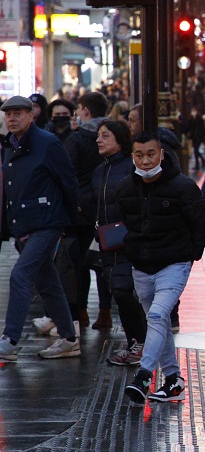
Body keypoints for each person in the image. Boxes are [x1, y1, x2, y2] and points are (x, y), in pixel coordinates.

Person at [119, 131, 205, 404]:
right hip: (141, 266)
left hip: (174, 263)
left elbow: (199, 223)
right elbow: (127, 222)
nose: (145, 161)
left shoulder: (183, 187)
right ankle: (173, 381)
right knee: (159, 323)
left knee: (157, 317)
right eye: (139, 155)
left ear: (161, 155)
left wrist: (191, 255)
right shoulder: (124, 189)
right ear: (132, 156)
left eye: (150, 154)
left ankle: (143, 377)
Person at [0, 96, 81, 361]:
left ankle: (9, 340)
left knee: (20, 275)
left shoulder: (48, 144)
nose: (12, 118)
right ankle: (69, 338)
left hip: (48, 222)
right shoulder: (10, 145)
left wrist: (68, 220)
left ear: (30, 115)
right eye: (8, 114)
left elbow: (68, 182)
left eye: (18, 113)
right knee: (47, 282)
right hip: (24, 225)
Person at [92, 121, 148, 366]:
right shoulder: (100, 170)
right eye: (98, 136)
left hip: (128, 240)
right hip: (107, 242)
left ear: (120, 139)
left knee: (124, 291)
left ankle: (142, 343)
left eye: (105, 136)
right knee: (117, 291)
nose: (99, 140)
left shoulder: (130, 167)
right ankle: (135, 343)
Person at [65, 91, 113, 329]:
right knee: (105, 261)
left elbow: (67, 172)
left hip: (82, 210)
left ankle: (81, 311)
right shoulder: (113, 135)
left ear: (85, 111)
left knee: (81, 262)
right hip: (106, 208)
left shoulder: (76, 139)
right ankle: (105, 312)